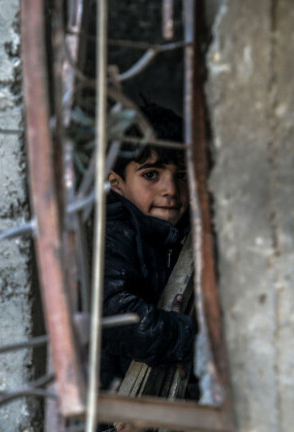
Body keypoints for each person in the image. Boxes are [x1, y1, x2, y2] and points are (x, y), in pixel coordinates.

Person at [100, 102, 196, 390]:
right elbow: (121, 320)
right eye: (151, 174)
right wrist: (191, 337)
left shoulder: (190, 231)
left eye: (181, 175)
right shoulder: (112, 231)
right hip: (108, 405)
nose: (170, 189)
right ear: (116, 183)